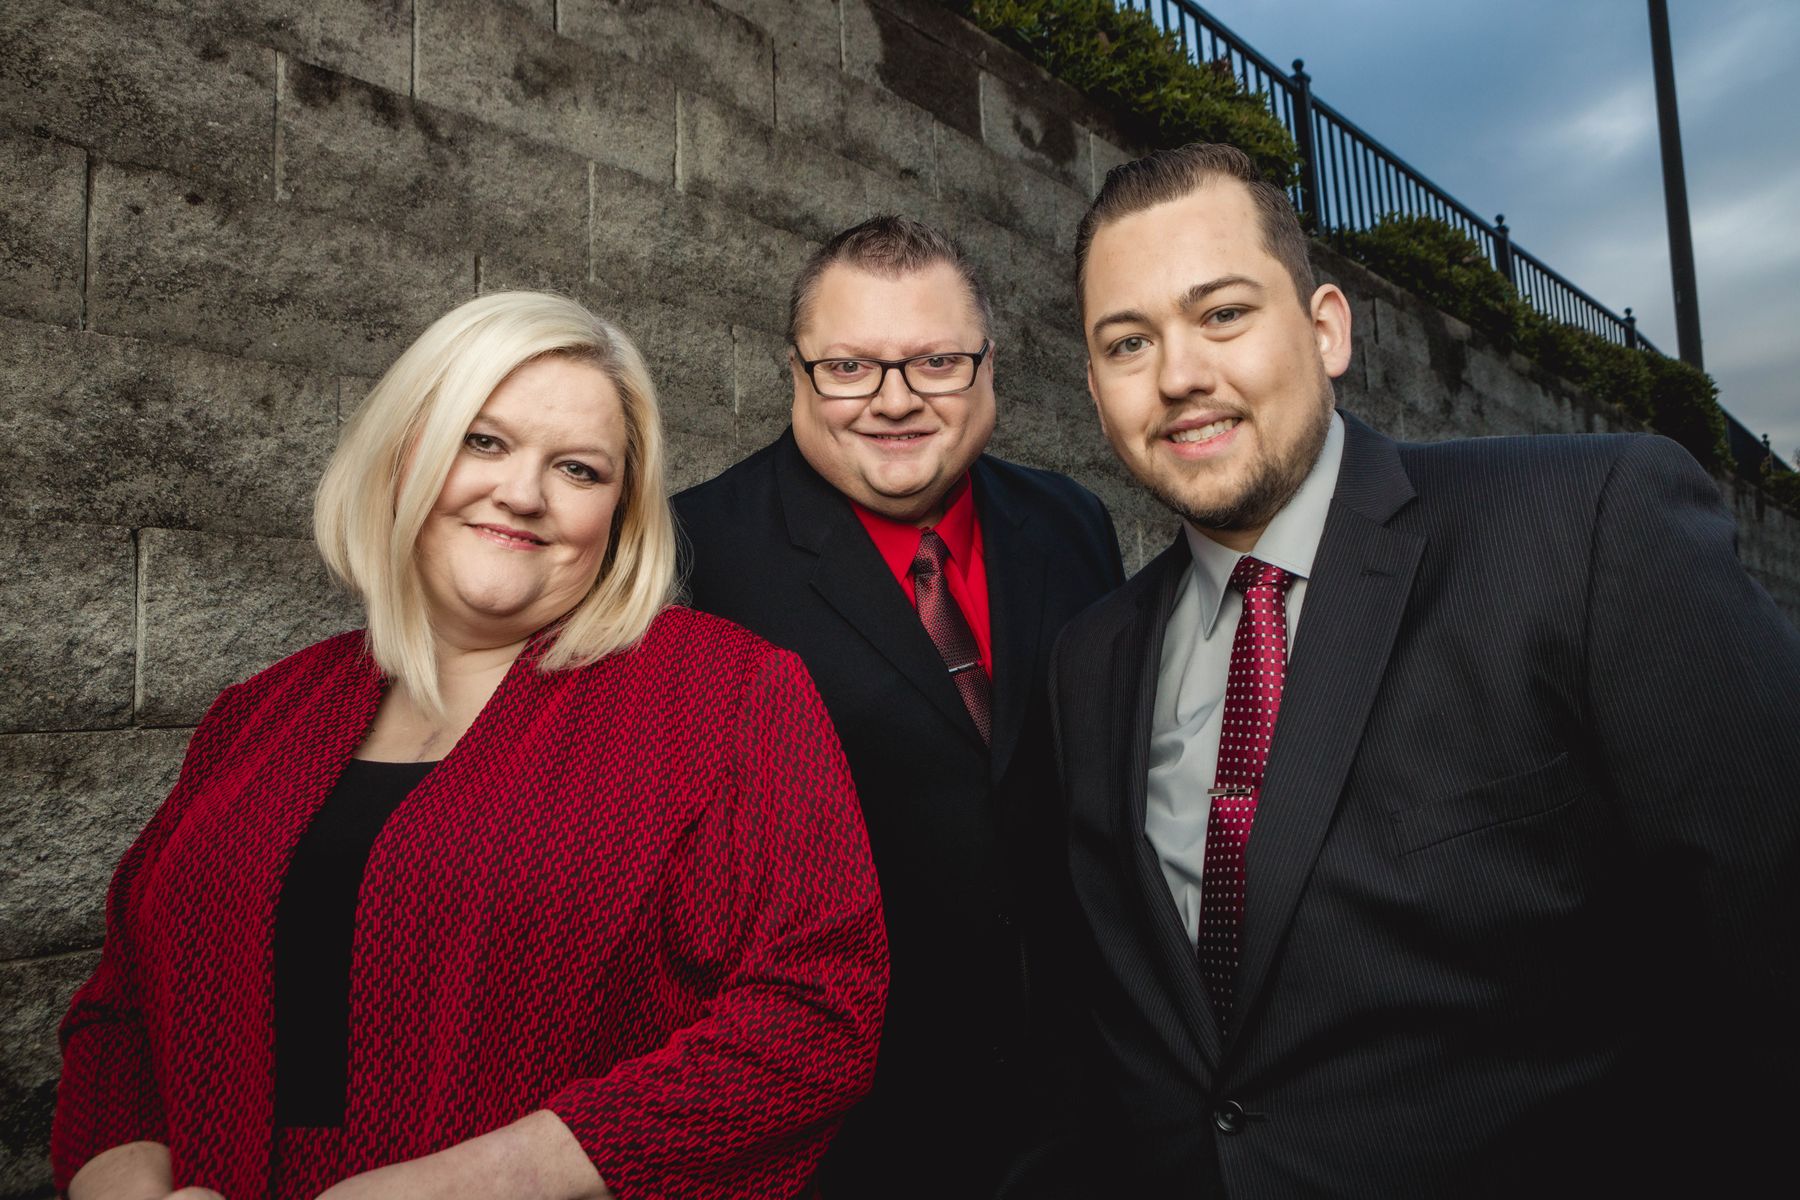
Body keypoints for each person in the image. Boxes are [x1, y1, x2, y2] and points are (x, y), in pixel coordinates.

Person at [1043, 143, 1800, 1197]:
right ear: (1094, 388)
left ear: (1327, 329)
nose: (1179, 375)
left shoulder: (1585, 526)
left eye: (1222, 314)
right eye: (1129, 343)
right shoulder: (1089, 661)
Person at [51, 291, 888, 1200]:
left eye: (578, 469)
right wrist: (123, 1184)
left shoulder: (725, 694)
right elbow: (122, 1007)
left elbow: (820, 1014)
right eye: (482, 442)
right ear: (402, 453)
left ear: (620, 512)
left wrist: (487, 1179)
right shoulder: (259, 713)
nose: (522, 495)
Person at [673, 216, 1124, 1197]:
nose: (893, 400)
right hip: (850, 1140)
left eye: (936, 363)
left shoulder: (1073, 523)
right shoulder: (693, 558)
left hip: (1085, 1116)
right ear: (796, 372)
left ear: (989, 368)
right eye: (848, 368)